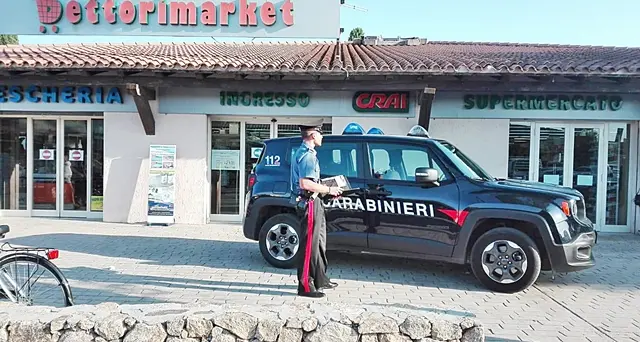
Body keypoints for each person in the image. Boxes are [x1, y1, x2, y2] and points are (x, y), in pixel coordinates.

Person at [291, 121, 342, 298]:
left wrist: (326, 189)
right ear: (313, 135)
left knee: (319, 242)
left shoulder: (305, 153)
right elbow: (305, 183)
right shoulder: (308, 156)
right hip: (309, 202)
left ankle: (320, 278)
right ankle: (305, 285)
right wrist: (329, 190)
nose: (322, 136)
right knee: (309, 246)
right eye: (320, 133)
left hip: (314, 200)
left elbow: (311, 181)